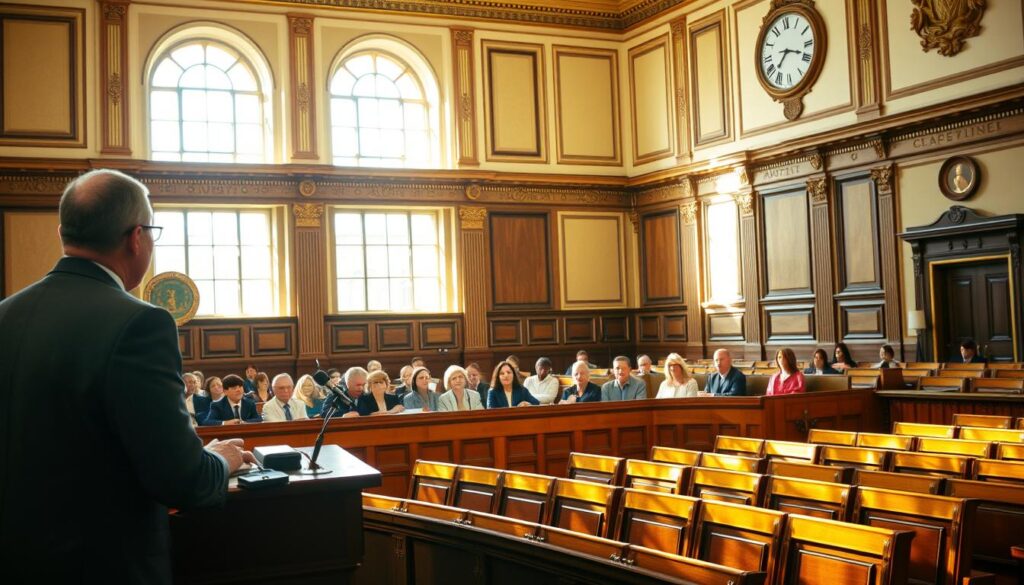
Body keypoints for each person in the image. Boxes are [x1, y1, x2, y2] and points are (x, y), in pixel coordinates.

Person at [0, 168, 252, 584]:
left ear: (64, 231)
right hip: (100, 567)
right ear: (137, 237)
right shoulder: (140, 323)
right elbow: (180, 480)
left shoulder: (5, 314)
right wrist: (220, 461)